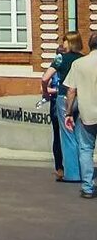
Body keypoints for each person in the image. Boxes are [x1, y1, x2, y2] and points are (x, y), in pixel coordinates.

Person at [63, 32, 97, 199]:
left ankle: (88, 187)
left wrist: (68, 112)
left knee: (86, 149)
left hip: (87, 113)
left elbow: (71, 90)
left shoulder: (79, 64)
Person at [50, 32, 85, 183]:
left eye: (64, 41)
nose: (63, 44)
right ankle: (84, 171)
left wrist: (46, 91)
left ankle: (72, 173)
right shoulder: (83, 59)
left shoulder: (60, 58)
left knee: (67, 136)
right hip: (82, 98)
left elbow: (45, 77)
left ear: (69, 43)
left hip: (65, 97)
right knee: (79, 136)